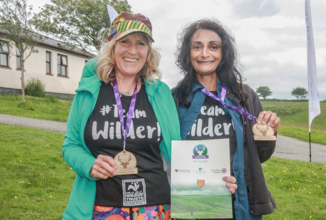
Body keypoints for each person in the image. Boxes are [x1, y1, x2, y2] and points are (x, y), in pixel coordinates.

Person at [61, 12, 182, 220]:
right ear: (113, 46)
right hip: (101, 207)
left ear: (148, 51)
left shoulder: (161, 92)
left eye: (141, 43)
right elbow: (70, 145)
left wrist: (210, 183)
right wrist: (88, 164)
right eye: (125, 41)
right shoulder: (89, 91)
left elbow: (176, 152)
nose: (133, 51)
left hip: (156, 208)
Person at [172, 19, 280, 220]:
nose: (205, 54)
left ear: (223, 53)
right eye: (197, 47)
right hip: (192, 205)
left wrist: (268, 131)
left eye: (213, 47)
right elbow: (166, 156)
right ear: (188, 53)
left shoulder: (245, 96)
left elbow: (260, 156)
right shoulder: (175, 98)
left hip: (238, 203)